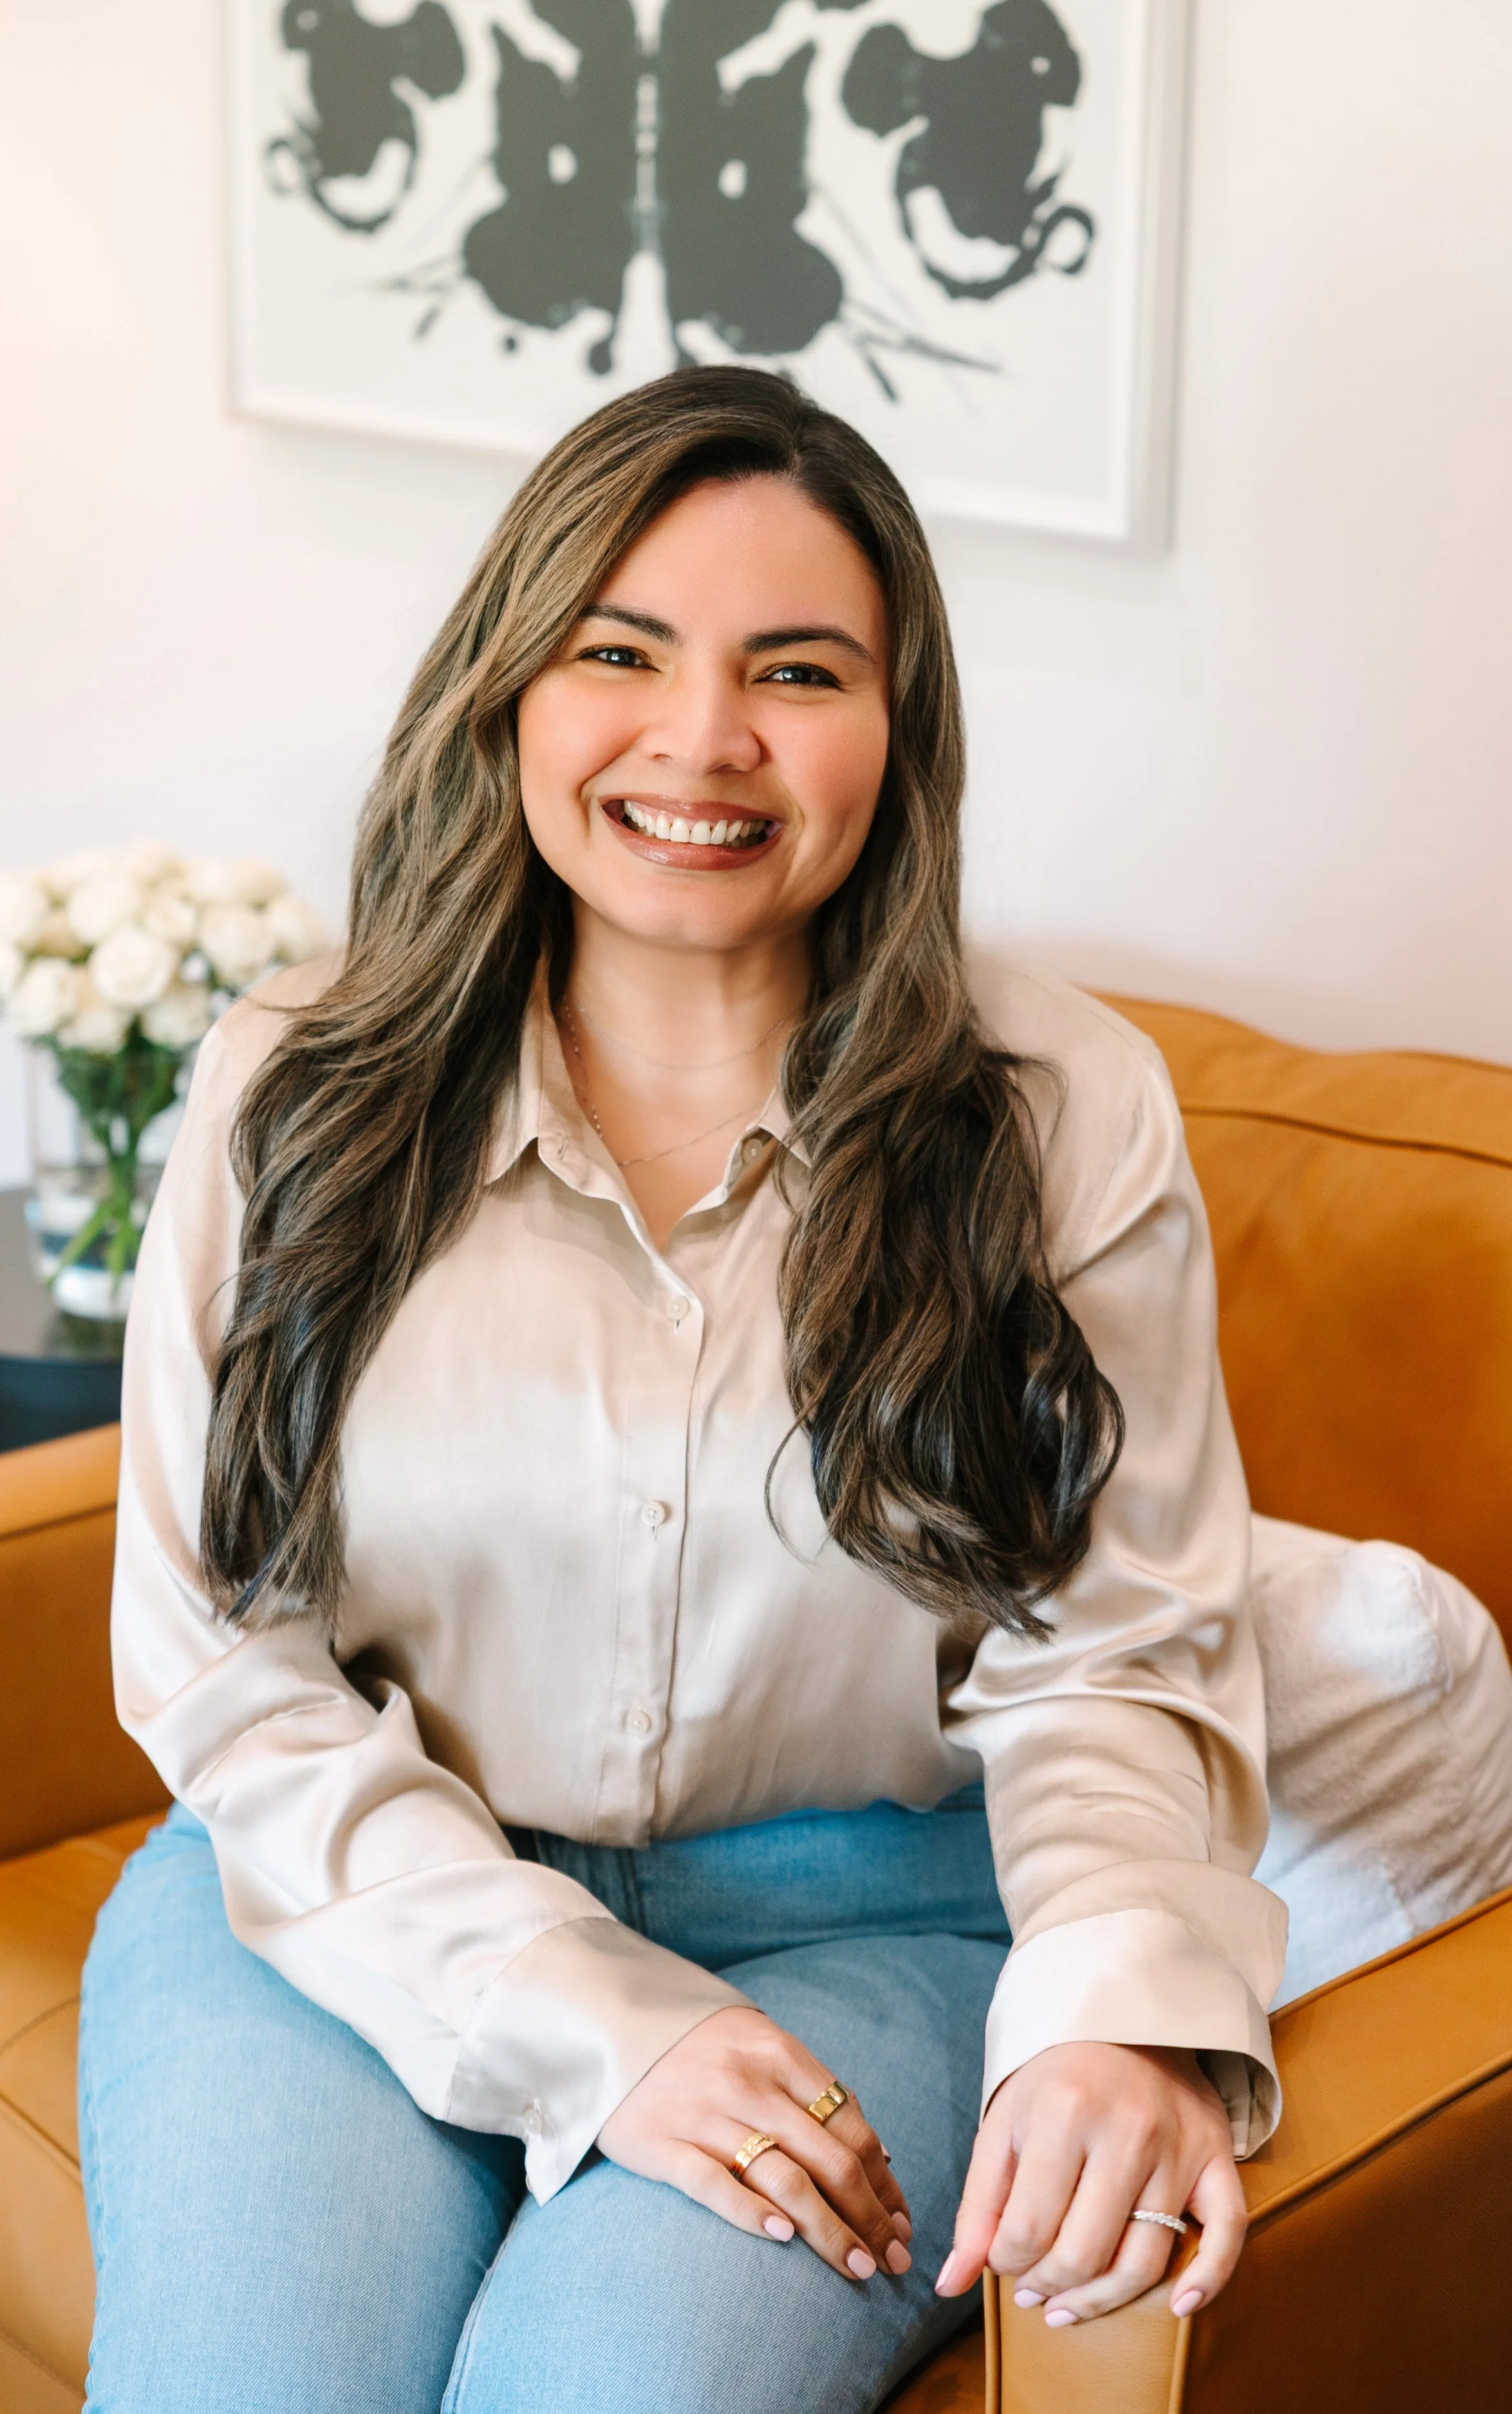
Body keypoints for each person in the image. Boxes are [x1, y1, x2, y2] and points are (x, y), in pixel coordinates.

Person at [82, 366, 1284, 2414]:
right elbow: (226, 1664)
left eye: (795, 669)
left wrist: (1115, 2011)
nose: (701, 738)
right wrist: (584, 2009)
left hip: (876, 1936)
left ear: (895, 731)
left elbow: (1119, 1659)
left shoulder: (1057, 1112)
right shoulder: (291, 1087)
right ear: (511, 691)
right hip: (351, 1884)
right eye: (618, 649)